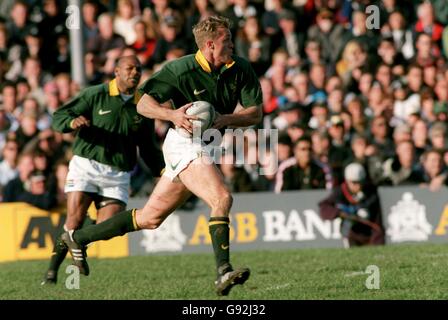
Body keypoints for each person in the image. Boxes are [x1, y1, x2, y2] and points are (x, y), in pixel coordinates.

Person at [60, 16, 262, 296]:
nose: (233, 45)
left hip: (209, 144)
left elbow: (255, 112)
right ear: (211, 45)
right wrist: (172, 114)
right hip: (183, 143)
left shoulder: (240, 68)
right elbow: (143, 103)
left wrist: (224, 118)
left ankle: (79, 237)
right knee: (222, 198)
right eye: (228, 40)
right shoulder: (180, 69)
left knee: (150, 218)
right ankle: (223, 271)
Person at [41, 55, 163, 285]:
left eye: (138, 68)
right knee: (74, 219)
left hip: (118, 174)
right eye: (129, 68)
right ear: (116, 71)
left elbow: (148, 145)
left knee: (108, 227)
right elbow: (60, 115)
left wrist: (161, 171)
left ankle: (76, 242)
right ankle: (51, 273)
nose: (135, 72)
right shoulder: (95, 94)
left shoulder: (144, 105)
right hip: (86, 164)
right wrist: (71, 123)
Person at [319, 163, 385, 248]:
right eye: (354, 183)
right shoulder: (340, 191)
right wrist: (341, 213)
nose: (358, 186)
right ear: (347, 181)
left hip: (369, 232)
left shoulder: (371, 192)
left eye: (360, 182)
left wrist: (377, 244)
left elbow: (377, 222)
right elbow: (324, 206)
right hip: (351, 233)